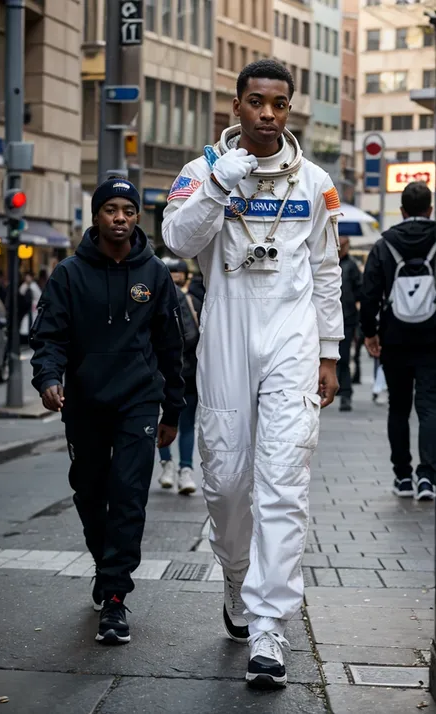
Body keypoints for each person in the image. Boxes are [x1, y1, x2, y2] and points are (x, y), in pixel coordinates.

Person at [162, 59, 343, 688]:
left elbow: (326, 271)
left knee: (283, 479)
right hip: (227, 331)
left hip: (290, 334)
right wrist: (220, 184)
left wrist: (329, 351)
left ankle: (269, 626)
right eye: (257, 102)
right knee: (226, 481)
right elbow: (177, 241)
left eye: (280, 104)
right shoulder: (200, 171)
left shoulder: (315, 181)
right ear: (236, 105)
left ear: (289, 109)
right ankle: (237, 579)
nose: (269, 114)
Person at [30, 178, 184, 645]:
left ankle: (116, 598)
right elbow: (48, 337)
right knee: (90, 491)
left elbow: (171, 346)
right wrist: (48, 380)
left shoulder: (154, 274)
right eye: (111, 209)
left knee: (130, 495)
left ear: (138, 217)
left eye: (129, 210)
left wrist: (172, 410)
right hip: (85, 402)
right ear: (96, 216)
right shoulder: (69, 274)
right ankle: (105, 563)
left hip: (138, 401)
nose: (120, 217)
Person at [361, 181, 436, 501]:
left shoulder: (383, 244)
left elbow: (369, 293)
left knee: (399, 408)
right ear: (430, 210)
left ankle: (403, 477)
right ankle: (428, 478)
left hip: (395, 338)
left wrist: (369, 333)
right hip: (433, 339)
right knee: (430, 407)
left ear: (402, 210)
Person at [158, 257, 202, 495]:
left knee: (161, 421)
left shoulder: (157, 296)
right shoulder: (193, 300)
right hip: (189, 372)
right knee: (186, 424)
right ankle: (185, 470)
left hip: (162, 372)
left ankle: (168, 466)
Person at [337, 236, 362, 412]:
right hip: (324, 318)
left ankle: (345, 393)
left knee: (344, 358)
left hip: (346, 318)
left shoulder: (351, 266)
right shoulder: (325, 263)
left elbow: (360, 291)